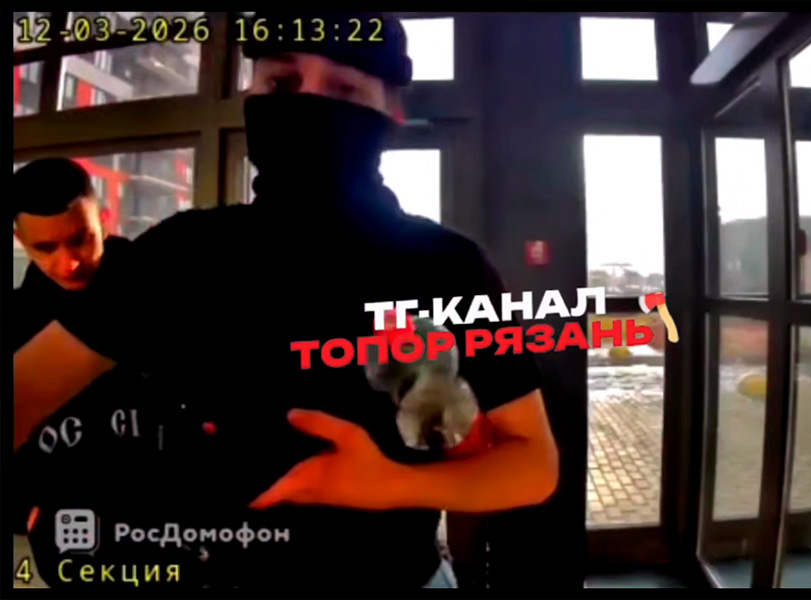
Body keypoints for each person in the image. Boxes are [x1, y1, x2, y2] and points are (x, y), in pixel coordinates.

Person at [13, 12, 558, 589]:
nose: (309, 104)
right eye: (282, 82)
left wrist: (390, 484)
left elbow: (533, 463)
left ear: (391, 113)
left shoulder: (448, 267)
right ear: (253, 96)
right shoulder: (180, 253)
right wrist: (59, 485)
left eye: (344, 88)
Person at [10, 159, 169, 587]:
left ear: (104, 218)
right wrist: (20, 508)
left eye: (80, 240)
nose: (69, 263)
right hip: (66, 552)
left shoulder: (163, 295)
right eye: (46, 248)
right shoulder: (15, 324)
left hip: (175, 542)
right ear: (20, 240)